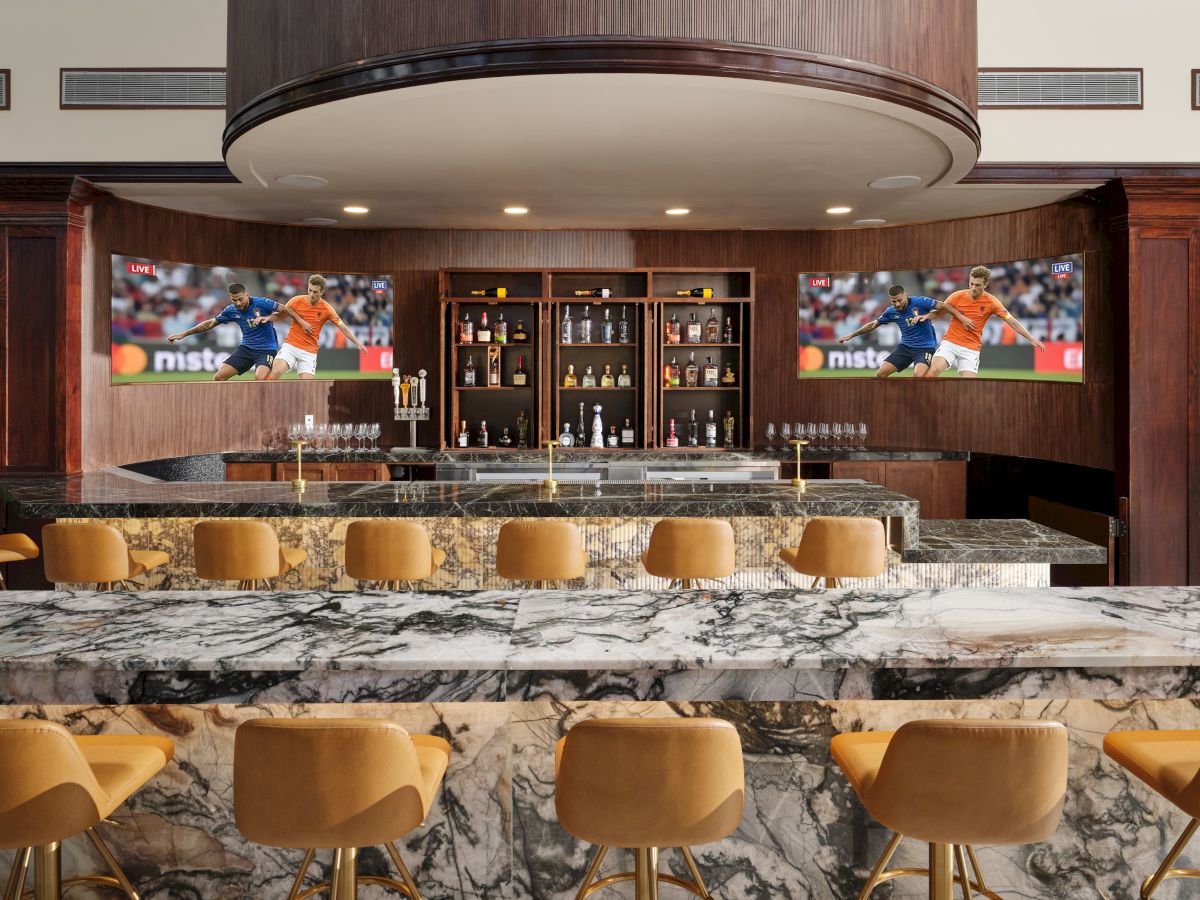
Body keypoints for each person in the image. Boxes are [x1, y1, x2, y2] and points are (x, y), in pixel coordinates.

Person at [919, 265, 1046, 378]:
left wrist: (1031, 338)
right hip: (950, 342)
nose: (973, 288)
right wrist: (925, 316)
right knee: (933, 370)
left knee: (970, 387)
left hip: (971, 348)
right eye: (971, 283)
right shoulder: (956, 296)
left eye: (977, 285)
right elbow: (939, 313)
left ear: (985, 285)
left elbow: (1011, 321)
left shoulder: (992, 302)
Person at [166, 283, 311, 381]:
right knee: (219, 378)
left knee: (260, 379)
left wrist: (301, 322)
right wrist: (183, 334)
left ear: (247, 295)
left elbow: (285, 310)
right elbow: (210, 323)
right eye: (234, 300)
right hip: (246, 349)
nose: (238, 303)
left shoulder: (262, 303)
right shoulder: (231, 310)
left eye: (240, 299)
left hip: (266, 350)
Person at [838, 285, 976, 378]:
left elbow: (945, 306)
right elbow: (873, 324)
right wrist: (851, 335)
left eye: (899, 300)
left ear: (905, 295)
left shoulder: (921, 302)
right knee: (880, 375)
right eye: (893, 301)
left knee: (918, 375)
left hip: (925, 348)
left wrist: (961, 318)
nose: (897, 304)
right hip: (905, 348)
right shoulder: (891, 311)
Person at [266, 274, 367, 380]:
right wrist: (267, 318)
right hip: (291, 346)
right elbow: (280, 316)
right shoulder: (296, 301)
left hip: (309, 352)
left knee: (308, 387)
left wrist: (357, 342)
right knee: (275, 372)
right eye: (309, 290)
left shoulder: (327, 309)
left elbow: (342, 327)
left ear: (322, 292)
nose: (311, 294)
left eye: (315, 292)